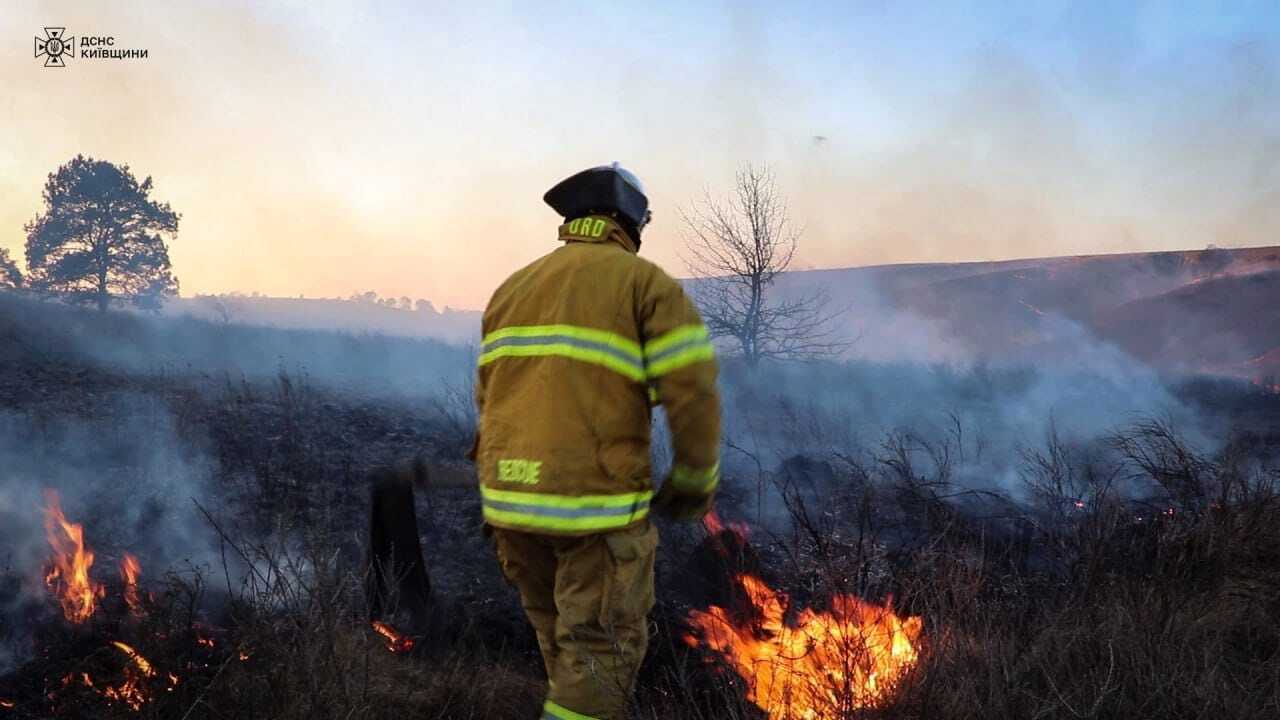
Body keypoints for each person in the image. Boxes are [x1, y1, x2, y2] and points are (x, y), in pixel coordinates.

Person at [470, 163, 721, 719]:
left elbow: (488, 397)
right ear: (631, 220)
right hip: (592, 511)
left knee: (559, 638)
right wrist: (693, 482)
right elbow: (693, 390)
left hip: (511, 506)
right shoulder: (644, 284)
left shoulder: (513, 287)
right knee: (599, 650)